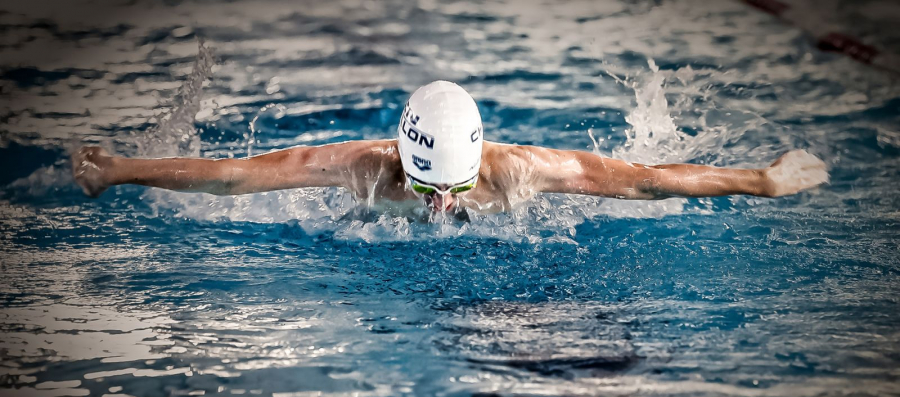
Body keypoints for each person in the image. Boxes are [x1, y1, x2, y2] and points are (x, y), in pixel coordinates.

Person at [72, 80, 828, 215]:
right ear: (401, 156)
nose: (439, 206)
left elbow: (646, 182)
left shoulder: (522, 171)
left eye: (451, 190)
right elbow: (235, 180)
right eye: (426, 186)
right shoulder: (360, 165)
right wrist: (121, 170)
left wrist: (761, 181)